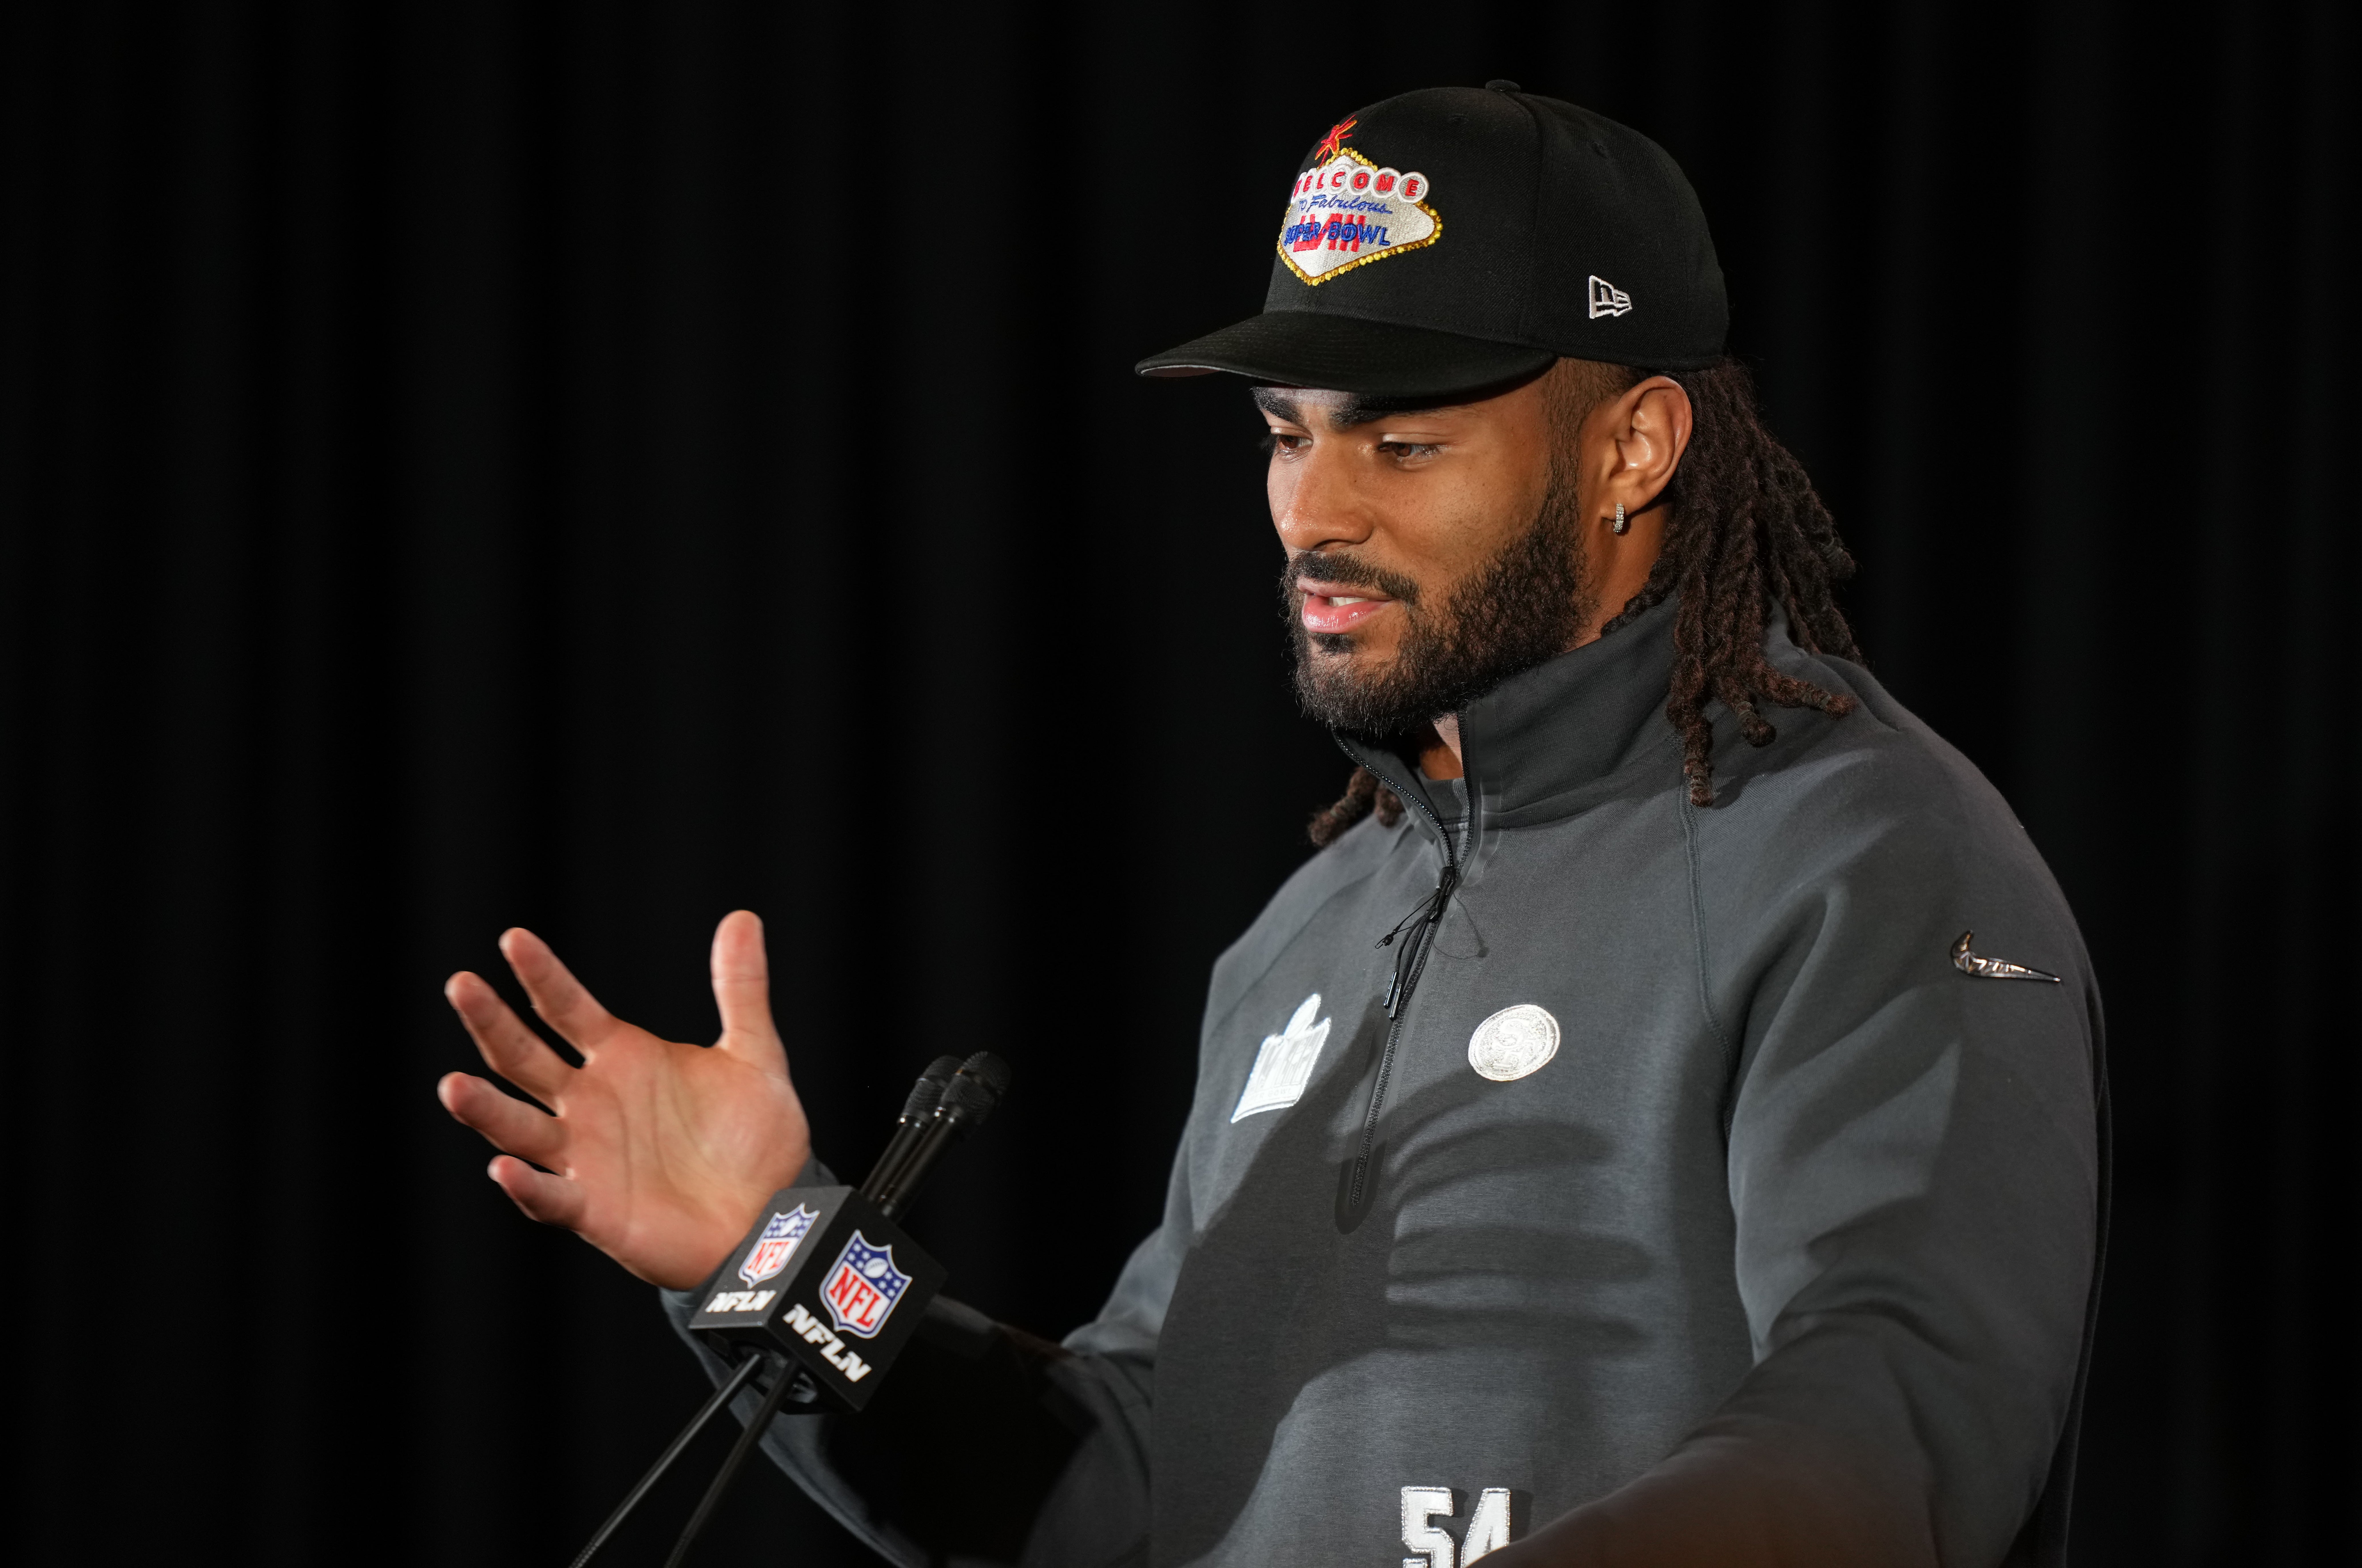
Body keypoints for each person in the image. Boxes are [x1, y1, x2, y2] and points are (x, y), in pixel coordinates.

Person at [438, 83, 2105, 1567]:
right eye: (1284, 436)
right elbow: (1126, 1489)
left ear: (1632, 447)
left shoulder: (1863, 851)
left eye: (1405, 441)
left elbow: (1895, 1425)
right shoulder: (1305, 935)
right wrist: (779, 1255)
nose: (1314, 510)